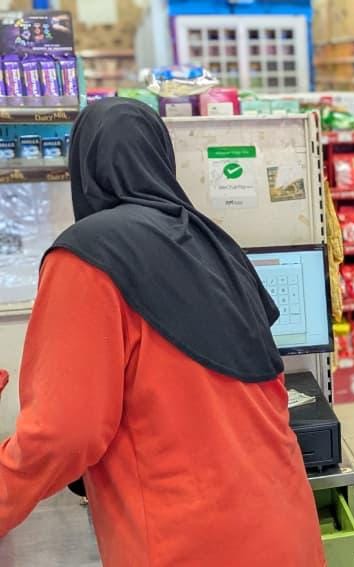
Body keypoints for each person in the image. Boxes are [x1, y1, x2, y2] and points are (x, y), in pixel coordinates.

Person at [0, 98, 325, 567]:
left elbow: (63, 433)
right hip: (284, 524)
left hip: (190, 542)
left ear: (83, 168)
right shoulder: (214, 243)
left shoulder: (87, 256)